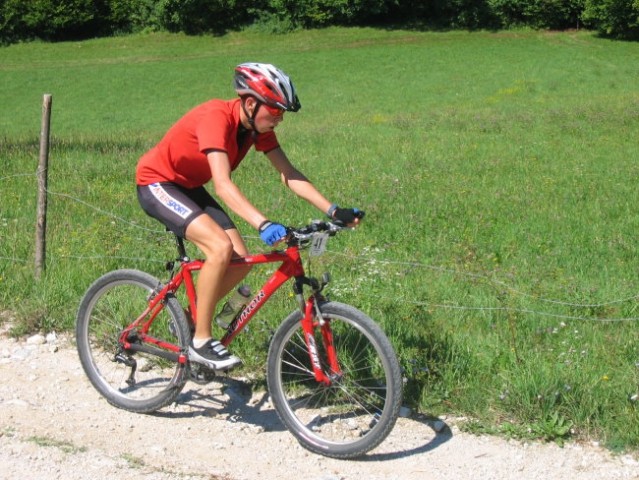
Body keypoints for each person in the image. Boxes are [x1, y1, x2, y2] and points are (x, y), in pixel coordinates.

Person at [136, 62, 363, 371]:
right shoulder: (216, 118)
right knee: (219, 248)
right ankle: (201, 342)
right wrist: (263, 223)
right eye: (276, 112)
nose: (279, 120)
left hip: (187, 186)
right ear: (252, 103)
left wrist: (332, 209)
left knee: (240, 259)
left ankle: (190, 319)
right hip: (157, 182)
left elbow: (289, 173)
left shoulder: (255, 127)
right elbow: (222, 183)